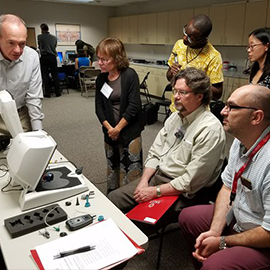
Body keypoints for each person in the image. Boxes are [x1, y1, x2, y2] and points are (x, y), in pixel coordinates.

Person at [108, 67, 226, 213]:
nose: (176, 96)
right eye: (175, 91)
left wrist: (155, 192)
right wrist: (144, 181)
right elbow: (155, 153)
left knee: (136, 223)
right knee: (113, 198)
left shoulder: (209, 129)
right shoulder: (175, 117)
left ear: (199, 96)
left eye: (182, 92)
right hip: (158, 176)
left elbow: (191, 181)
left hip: (183, 190)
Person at [179, 84, 270, 270]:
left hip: (264, 240)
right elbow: (228, 187)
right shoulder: (240, 141)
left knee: (215, 265)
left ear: (256, 117)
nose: (223, 111)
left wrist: (222, 242)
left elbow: (268, 233)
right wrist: (214, 231)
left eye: (232, 107)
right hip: (241, 218)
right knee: (188, 217)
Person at [95, 37, 144, 194]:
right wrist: (110, 129)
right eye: (99, 58)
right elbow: (99, 107)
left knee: (131, 169)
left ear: (116, 59)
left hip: (129, 132)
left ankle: (130, 201)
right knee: (113, 167)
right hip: (110, 133)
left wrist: (118, 128)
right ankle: (113, 200)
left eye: (104, 59)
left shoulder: (130, 76)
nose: (100, 63)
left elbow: (134, 106)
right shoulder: (101, 79)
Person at [167, 14, 223, 113]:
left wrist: (194, 84)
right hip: (175, 109)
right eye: (185, 32)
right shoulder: (179, 45)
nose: (184, 38)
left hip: (197, 113)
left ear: (203, 38)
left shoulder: (213, 56)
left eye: (191, 38)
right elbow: (168, 77)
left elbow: (218, 93)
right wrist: (171, 72)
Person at [0, 14, 44, 136]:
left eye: (22, 44)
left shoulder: (32, 56)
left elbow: (33, 96)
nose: (18, 50)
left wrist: (38, 131)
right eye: (11, 43)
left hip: (21, 116)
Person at [38, 23, 61, 98]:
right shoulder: (54, 37)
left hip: (44, 57)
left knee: (45, 75)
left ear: (42, 29)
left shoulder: (40, 37)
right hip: (52, 57)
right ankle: (58, 92)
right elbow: (54, 46)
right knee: (55, 75)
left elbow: (40, 46)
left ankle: (47, 93)